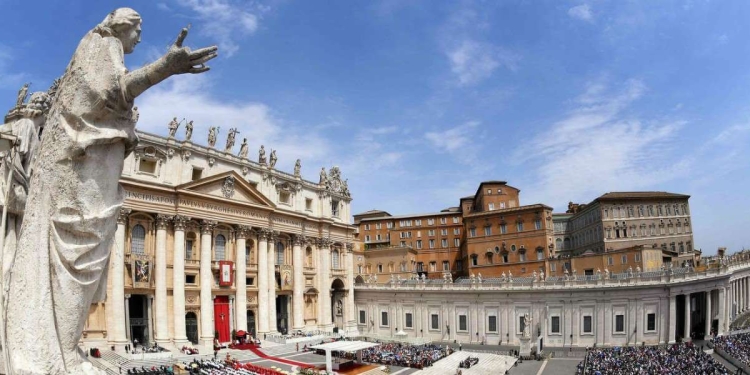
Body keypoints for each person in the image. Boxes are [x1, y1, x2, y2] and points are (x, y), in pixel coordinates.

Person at [4, 8, 217, 374]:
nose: (140, 37)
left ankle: (65, 346)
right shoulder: (101, 45)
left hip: (90, 171)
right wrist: (164, 67)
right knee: (78, 256)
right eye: (138, 29)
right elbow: (112, 92)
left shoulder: (103, 51)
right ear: (122, 26)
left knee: (83, 259)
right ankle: (63, 349)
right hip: (80, 176)